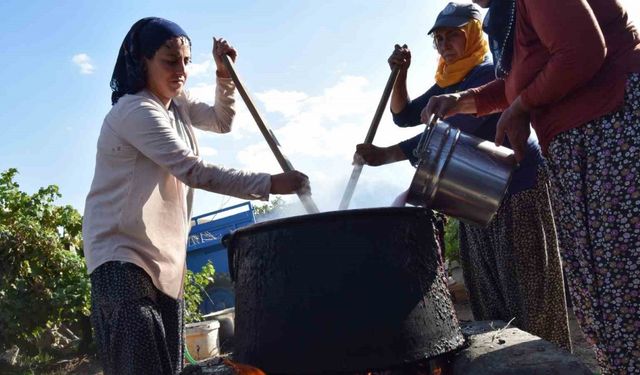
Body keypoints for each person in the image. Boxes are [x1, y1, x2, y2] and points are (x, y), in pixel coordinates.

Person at [82, 17, 309, 375]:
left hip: (163, 257)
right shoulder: (135, 111)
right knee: (141, 364)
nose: (181, 71)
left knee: (167, 367)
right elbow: (193, 171)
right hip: (121, 255)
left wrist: (223, 75)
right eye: (170, 61)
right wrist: (271, 183)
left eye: (187, 61)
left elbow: (222, 121)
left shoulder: (178, 104)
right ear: (142, 62)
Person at [424, 0, 640, 373]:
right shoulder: (507, 18)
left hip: (612, 132)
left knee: (623, 277)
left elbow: (581, 50)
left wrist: (522, 106)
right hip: (579, 148)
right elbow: (514, 85)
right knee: (605, 289)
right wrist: (460, 101)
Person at [355, 2, 571, 350]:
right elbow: (404, 115)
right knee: (489, 290)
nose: (443, 45)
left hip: (515, 186)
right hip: (472, 194)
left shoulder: (489, 72)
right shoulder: (447, 81)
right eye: (438, 39)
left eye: (451, 36)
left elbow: (456, 125)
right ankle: (504, 362)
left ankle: (546, 359)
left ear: (471, 35)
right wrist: (400, 74)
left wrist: (388, 154)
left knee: (527, 288)